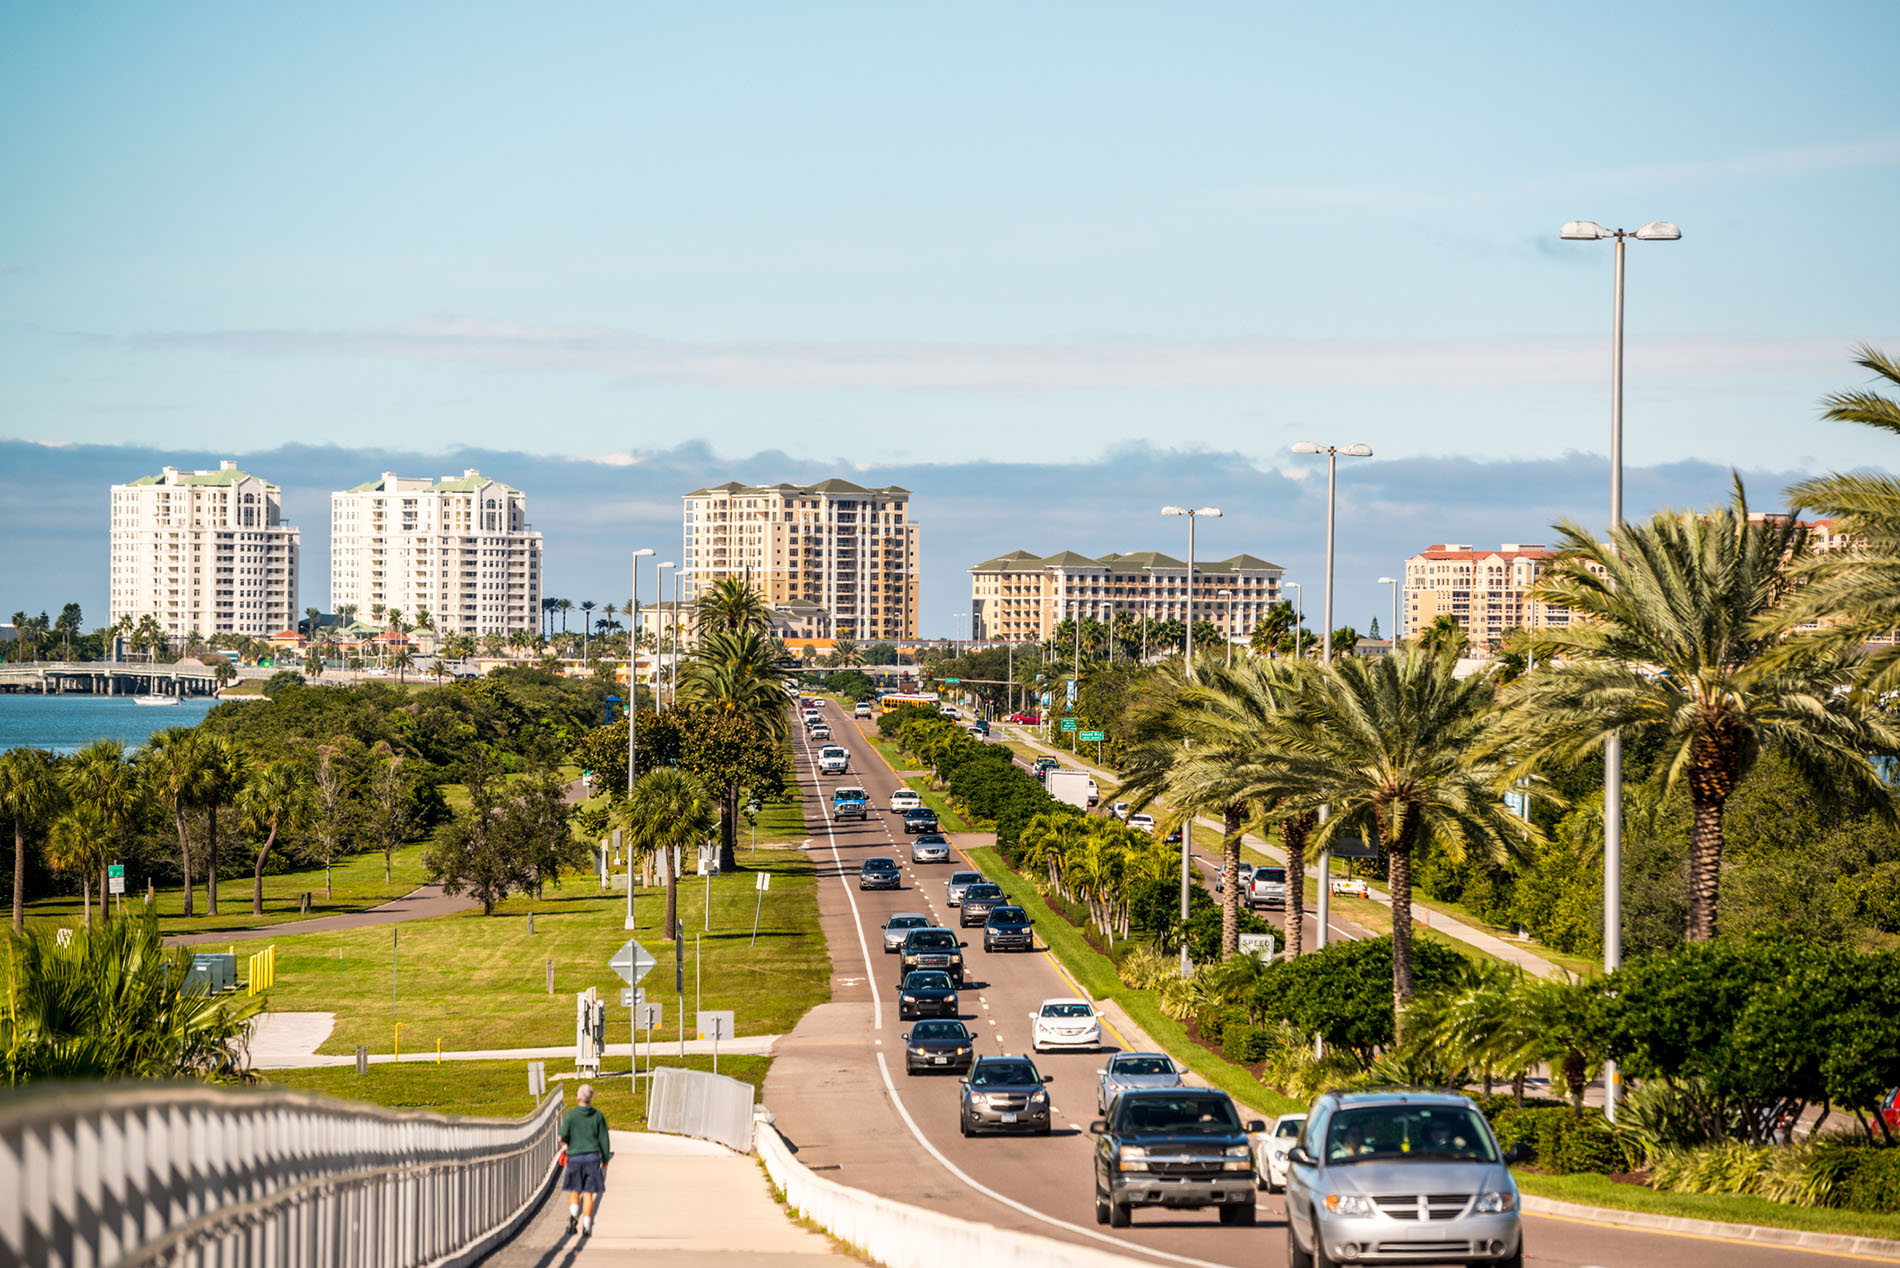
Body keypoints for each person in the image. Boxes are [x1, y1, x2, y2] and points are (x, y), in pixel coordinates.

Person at [559, 1083, 612, 1236]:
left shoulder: (570, 1116)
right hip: (592, 1158)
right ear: (590, 1098)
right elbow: (604, 1140)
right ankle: (587, 1225)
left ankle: (574, 1215)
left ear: (578, 1098)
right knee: (588, 1193)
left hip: (575, 1157)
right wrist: (605, 1160)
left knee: (575, 1191)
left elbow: (563, 1135)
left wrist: (565, 1140)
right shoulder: (598, 1116)